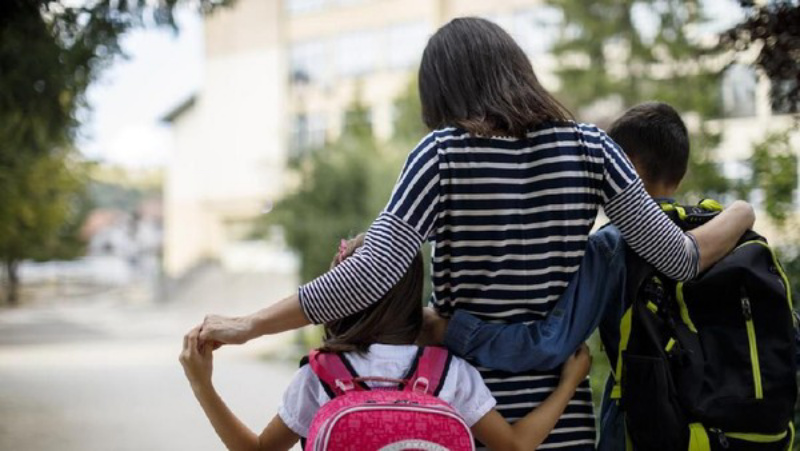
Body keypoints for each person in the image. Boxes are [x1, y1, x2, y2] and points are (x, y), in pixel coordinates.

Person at [196, 18, 754, 449]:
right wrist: (742, 213)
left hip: (462, 412)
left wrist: (250, 324)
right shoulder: (592, 148)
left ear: (441, 93)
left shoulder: (440, 156)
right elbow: (680, 258)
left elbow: (369, 276)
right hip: (563, 415)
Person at [418, 102, 708, 451]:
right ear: (680, 174)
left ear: (623, 164)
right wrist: (742, 213)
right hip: (718, 426)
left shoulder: (613, 248)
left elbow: (549, 342)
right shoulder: (713, 232)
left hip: (644, 426)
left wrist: (449, 330)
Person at [180, 234, 593, 451]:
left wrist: (202, 385)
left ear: (339, 296)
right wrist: (568, 384)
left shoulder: (320, 376)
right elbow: (517, 446)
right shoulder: (449, 373)